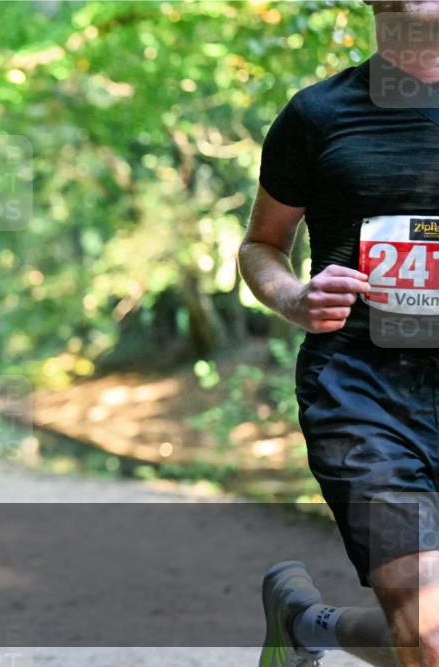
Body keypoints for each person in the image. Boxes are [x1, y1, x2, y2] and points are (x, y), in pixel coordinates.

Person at [239, 2, 439, 666]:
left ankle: (306, 624)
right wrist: (295, 297)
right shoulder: (319, 115)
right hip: (364, 396)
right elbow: (262, 246)